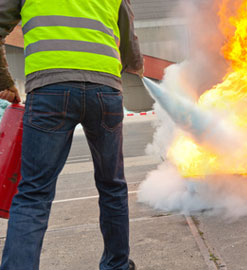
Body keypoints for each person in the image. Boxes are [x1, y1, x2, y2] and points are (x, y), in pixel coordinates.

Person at [0, 0, 143, 269]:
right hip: (105, 90)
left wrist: (4, 81)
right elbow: (129, 40)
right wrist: (134, 67)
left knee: (34, 194)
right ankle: (117, 264)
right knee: (112, 185)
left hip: (49, 89)